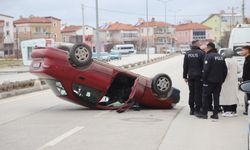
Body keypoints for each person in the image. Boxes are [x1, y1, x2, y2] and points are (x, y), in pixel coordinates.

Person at [197, 42, 228, 119]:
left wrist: (204, 79)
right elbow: (225, 70)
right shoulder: (221, 56)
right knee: (216, 97)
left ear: (208, 48)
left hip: (209, 81)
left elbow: (206, 70)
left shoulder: (208, 56)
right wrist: (222, 79)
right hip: (219, 81)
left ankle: (204, 113)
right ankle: (215, 114)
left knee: (205, 96)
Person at [183, 40, 205, 115]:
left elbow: (185, 66)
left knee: (191, 93)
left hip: (190, 76)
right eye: (199, 43)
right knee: (198, 93)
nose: (200, 44)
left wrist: (184, 76)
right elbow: (204, 66)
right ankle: (197, 109)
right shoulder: (201, 53)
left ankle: (191, 109)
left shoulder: (187, 53)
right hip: (199, 76)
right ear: (197, 44)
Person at [220, 50, 241, 117]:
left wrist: (221, 79)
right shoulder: (235, 60)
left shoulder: (226, 61)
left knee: (226, 96)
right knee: (234, 95)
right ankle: (234, 111)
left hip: (226, 81)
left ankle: (227, 111)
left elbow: (225, 71)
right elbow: (239, 70)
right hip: (234, 81)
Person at [242, 46, 250, 115]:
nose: (242, 52)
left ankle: (248, 110)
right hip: (246, 81)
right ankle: (247, 110)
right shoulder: (246, 59)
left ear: (247, 50)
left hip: (248, 81)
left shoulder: (249, 59)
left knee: (249, 96)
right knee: (247, 96)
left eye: (243, 50)